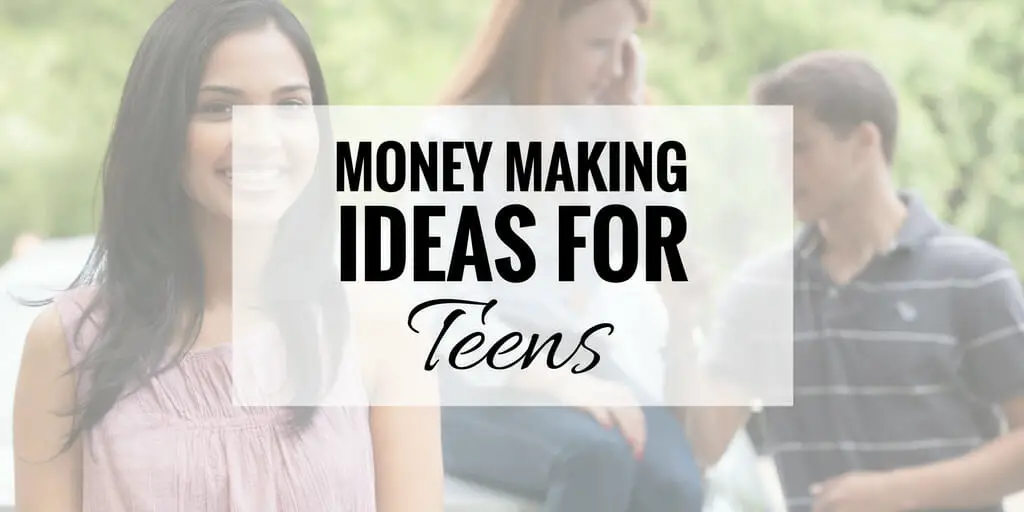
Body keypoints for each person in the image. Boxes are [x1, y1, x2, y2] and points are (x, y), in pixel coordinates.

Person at [11, 1, 443, 510]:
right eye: (218, 107)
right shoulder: (68, 346)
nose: (260, 138)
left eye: (290, 105)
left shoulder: (383, 332)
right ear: (159, 128)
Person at [680, 50, 1024, 512]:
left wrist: (897, 492)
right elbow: (703, 445)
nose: (779, 168)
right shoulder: (761, 292)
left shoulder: (973, 276)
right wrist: (678, 322)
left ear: (865, 143)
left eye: (799, 147)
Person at [427, 0, 705, 511]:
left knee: (676, 485)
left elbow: (664, 253)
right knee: (594, 458)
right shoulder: (454, 136)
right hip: (475, 382)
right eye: (600, 45)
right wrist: (558, 380)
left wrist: (632, 124)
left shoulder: (600, 135)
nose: (615, 67)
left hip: (580, 368)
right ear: (540, 38)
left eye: (626, 48)